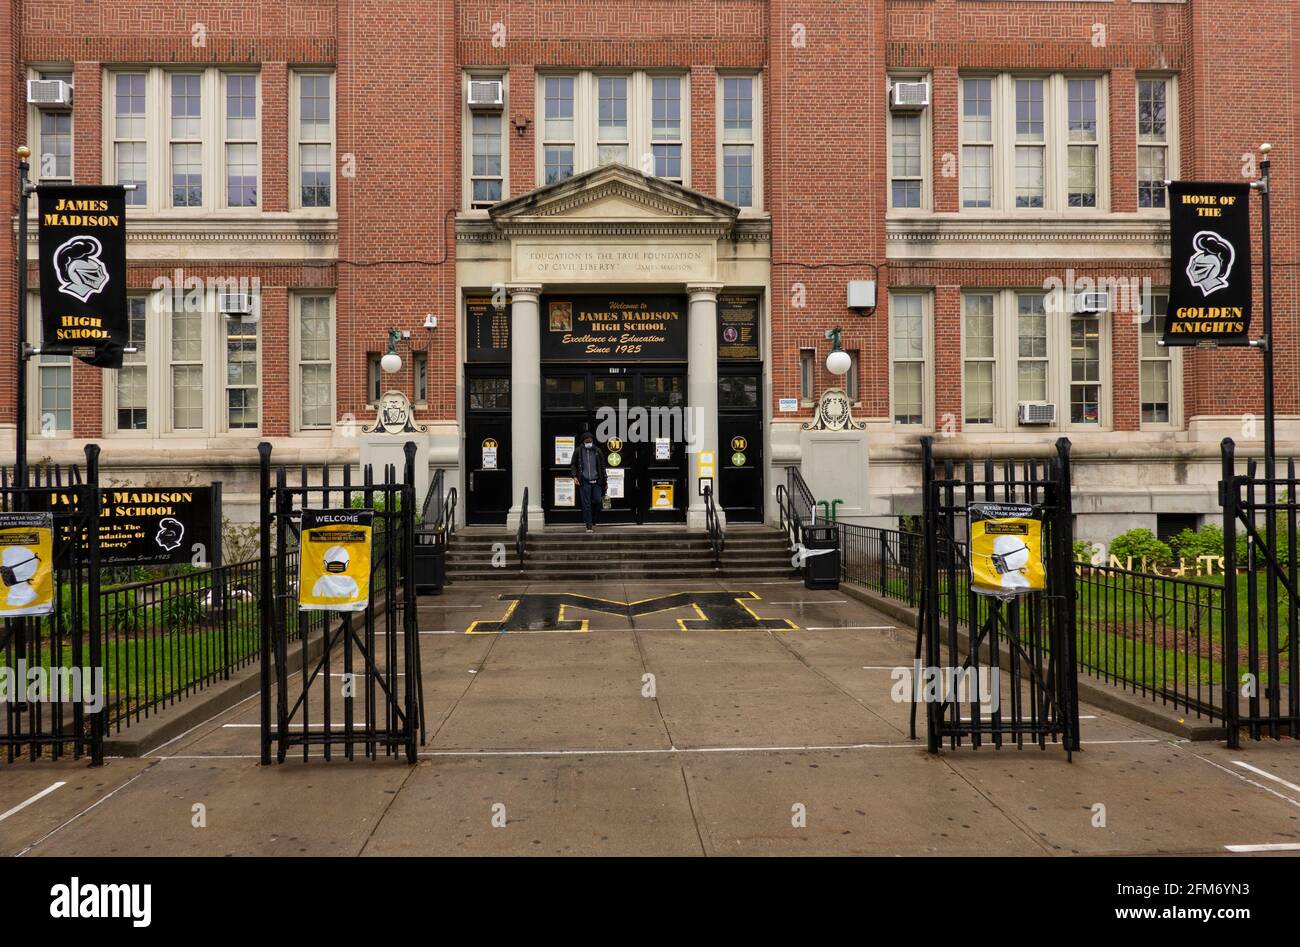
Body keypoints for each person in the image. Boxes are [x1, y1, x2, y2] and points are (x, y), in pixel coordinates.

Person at [569, 431, 607, 531]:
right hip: (584, 481)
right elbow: (573, 464)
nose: (589, 443)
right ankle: (588, 524)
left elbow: (603, 466)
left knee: (597, 500)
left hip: (596, 481)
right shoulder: (578, 451)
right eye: (587, 441)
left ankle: (592, 518)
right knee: (586, 503)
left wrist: (605, 479)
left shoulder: (597, 451)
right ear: (583, 442)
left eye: (590, 441)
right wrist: (574, 476)